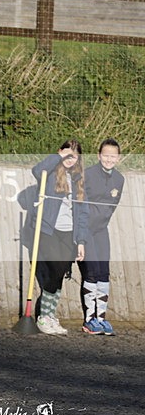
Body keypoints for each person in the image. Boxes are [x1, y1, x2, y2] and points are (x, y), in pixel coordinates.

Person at [23, 139, 89, 335]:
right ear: (60, 152)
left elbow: (83, 213)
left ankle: (50, 315)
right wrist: (58, 157)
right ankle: (43, 316)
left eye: (74, 156)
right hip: (48, 230)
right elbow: (37, 170)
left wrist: (81, 241)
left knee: (60, 274)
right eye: (67, 154)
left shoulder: (79, 180)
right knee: (57, 267)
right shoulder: (50, 172)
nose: (70, 159)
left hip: (70, 233)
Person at [78, 138, 124, 335]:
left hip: (101, 230)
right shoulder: (87, 175)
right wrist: (80, 238)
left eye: (112, 156)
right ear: (99, 155)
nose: (108, 159)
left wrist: (101, 222)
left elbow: (112, 207)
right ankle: (89, 320)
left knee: (104, 273)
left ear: (118, 158)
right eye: (105, 155)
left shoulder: (119, 179)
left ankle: (101, 318)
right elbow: (79, 207)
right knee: (91, 272)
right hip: (86, 229)